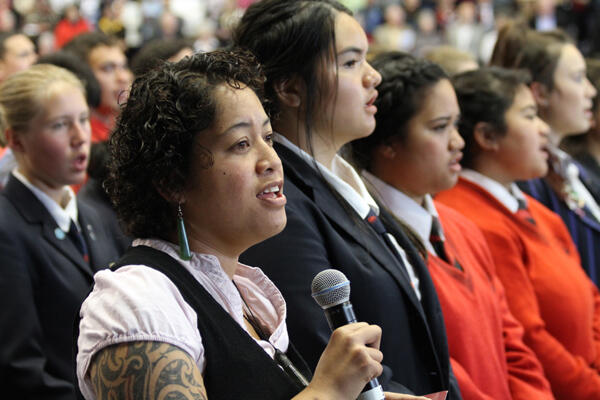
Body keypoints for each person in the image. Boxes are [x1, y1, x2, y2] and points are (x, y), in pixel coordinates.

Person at [76, 49, 425, 400]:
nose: (271, 160)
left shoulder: (245, 295)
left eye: (269, 138)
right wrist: (327, 391)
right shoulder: (138, 301)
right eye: (241, 144)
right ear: (172, 181)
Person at [234, 0, 460, 397]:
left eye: (366, 59)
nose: (374, 77)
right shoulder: (280, 204)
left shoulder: (347, 181)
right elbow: (326, 357)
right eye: (351, 62)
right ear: (290, 87)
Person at [351, 52, 554, 400]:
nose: (458, 142)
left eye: (456, 125)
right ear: (387, 142)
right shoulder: (372, 245)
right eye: (439, 127)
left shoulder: (462, 227)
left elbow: (512, 343)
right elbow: (442, 368)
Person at [436, 66, 600, 400]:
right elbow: (530, 339)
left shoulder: (533, 209)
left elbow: (591, 301)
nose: (543, 129)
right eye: (529, 116)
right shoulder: (474, 219)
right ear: (487, 137)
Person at [0, 64, 120, 398]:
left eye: (83, 119)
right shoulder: (7, 230)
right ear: (16, 140)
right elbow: (19, 368)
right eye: (59, 125)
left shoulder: (95, 215)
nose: (80, 137)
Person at [490, 22, 600, 285]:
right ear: (540, 93)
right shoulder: (528, 181)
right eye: (577, 78)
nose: (591, 91)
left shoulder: (567, 167)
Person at [63, 32, 133, 143]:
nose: (123, 78)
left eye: (124, 67)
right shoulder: (78, 141)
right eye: (108, 68)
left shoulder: (128, 126)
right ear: (81, 76)